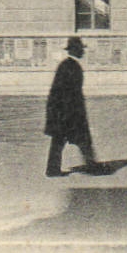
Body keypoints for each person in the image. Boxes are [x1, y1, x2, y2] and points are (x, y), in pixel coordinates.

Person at [45, 36, 99, 177]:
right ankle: (91, 165)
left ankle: (53, 169)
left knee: (61, 140)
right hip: (67, 112)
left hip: (62, 111)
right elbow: (69, 93)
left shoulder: (67, 65)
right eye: (81, 49)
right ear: (74, 50)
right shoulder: (71, 66)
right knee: (80, 139)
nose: (83, 52)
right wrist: (73, 113)